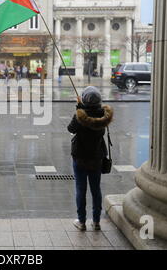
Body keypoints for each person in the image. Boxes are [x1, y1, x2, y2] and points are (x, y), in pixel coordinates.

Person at [68, 86, 113, 231]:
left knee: (81, 189)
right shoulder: (103, 116)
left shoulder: (81, 116)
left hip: (80, 157)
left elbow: (71, 128)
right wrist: (83, 108)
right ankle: (96, 221)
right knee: (96, 189)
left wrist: (79, 109)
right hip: (96, 157)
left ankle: (81, 222)